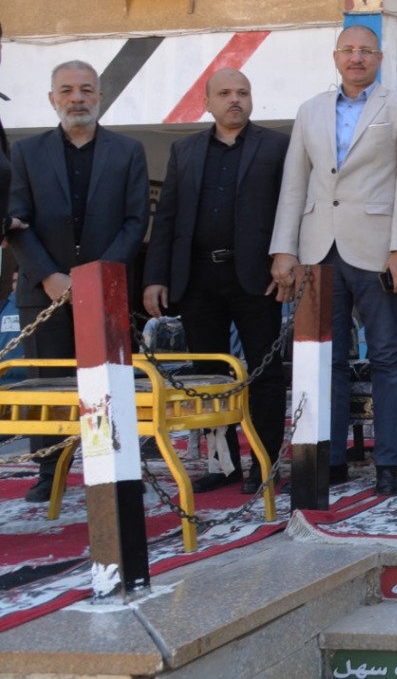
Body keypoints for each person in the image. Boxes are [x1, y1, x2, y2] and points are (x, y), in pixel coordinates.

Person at [270, 25, 397, 497]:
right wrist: (284, 249)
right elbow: (294, 182)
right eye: (348, 50)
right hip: (318, 249)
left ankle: (388, 463)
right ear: (335, 56)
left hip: (379, 250)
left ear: (379, 58)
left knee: (388, 356)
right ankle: (329, 459)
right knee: (324, 361)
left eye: (365, 51)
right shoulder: (309, 110)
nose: (356, 58)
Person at [8, 61, 149, 503]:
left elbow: (135, 221)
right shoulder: (25, 153)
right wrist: (50, 276)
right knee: (47, 386)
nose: (77, 98)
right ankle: (49, 473)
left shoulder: (128, 151)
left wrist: (96, 279)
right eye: (66, 90)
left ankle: (112, 468)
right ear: (52, 99)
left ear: (100, 96)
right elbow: (16, 221)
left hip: (106, 291)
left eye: (86, 89)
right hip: (43, 292)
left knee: (108, 385)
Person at [144, 68, 290, 493]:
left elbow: (292, 207)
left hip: (256, 277)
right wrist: (155, 277)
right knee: (207, 375)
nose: (235, 99)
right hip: (197, 277)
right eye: (224, 93)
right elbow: (167, 216)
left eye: (242, 92)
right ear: (207, 102)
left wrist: (289, 258)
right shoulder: (184, 150)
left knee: (264, 373)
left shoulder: (276, 146)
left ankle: (264, 464)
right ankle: (223, 465)